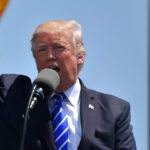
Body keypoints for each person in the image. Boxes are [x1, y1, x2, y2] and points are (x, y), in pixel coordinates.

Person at [0, 20, 136, 150]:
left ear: (80, 56)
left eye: (59, 47)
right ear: (36, 60)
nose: (50, 56)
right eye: (42, 50)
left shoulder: (114, 110)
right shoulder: (12, 93)